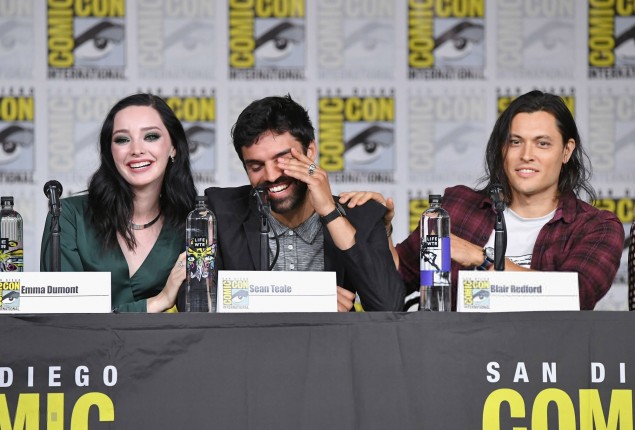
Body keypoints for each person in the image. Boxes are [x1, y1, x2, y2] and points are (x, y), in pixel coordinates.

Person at [341, 90, 624, 310]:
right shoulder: (457, 206)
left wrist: (480, 257)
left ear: (566, 151)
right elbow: (396, 281)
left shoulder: (597, 227)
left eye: (542, 143)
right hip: (453, 356)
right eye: (515, 142)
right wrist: (381, 231)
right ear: (502, 149)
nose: (527, 155)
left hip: (541, 363)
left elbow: (575, 296)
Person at [204, 94, 404, 311]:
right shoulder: (220, 212)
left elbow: (389, 308)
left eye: (282, 160)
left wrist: (330, 212)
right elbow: (196, 299)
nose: (271, 176)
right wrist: (309, 297)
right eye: (256, 167)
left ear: (310, 152)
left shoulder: (360, 213)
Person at [40, 93, 197, 312]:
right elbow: (63, 317)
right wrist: (159, 301)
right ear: (110, 151)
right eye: (122, 139)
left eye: (151, 136)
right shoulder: (67, 216)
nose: (137, 150)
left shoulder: (194, 223)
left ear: (173, 147)